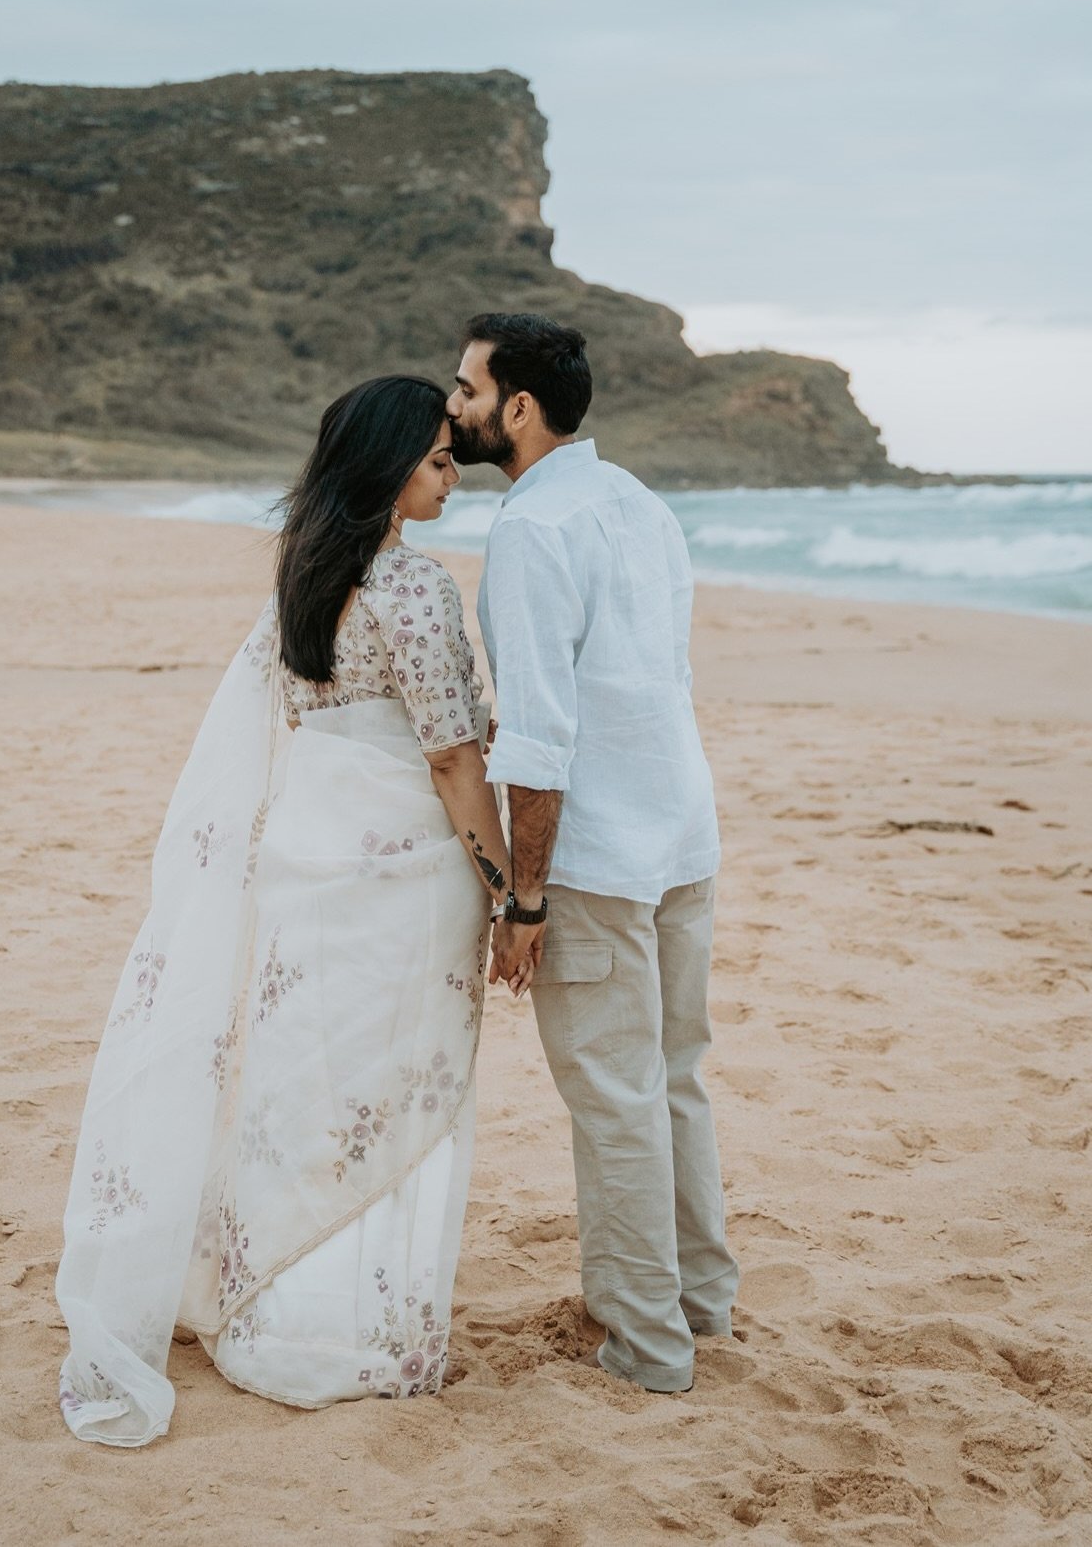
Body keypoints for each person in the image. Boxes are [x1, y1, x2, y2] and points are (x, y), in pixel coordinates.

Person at [55, 376, 514, 1445]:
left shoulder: (306, 576)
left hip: (307, 860)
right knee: (395, 1078)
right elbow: (452, 755)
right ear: (392, 464)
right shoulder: (413, 589)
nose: (452, 478)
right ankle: (351, 1327)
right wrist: (507, 885)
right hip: (403, 873)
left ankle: (265, 1299)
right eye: (440, 460)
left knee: (304, 1079)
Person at [447, 313, 740, 1396]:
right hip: (681, 834)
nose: (455, 406)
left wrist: (524, 899)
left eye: (467, 387)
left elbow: (537, 735)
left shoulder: (531, 531)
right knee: (673, 1080)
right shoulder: (643, 505)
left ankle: (648, 1342)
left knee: (617, 1096)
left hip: (604, 855)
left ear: (519, 406)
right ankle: (702, 1303)